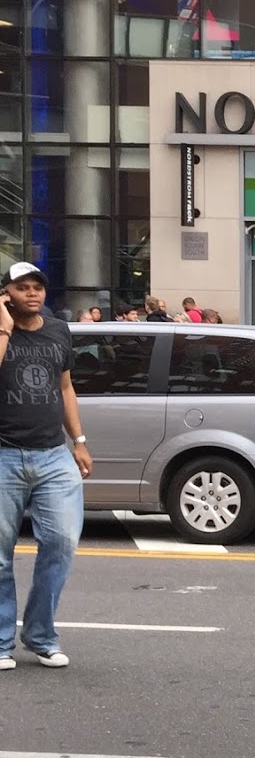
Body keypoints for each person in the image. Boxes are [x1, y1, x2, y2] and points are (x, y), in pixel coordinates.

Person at [0, 261, 92, 671]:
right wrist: (4, 326)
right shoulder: (2, 331)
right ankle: (1, 642)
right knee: (0, 557)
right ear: (6, 294)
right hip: (3, 454)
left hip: (54, 455)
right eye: (22, 287)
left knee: (61, 544)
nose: (32, 293)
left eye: (37, 286)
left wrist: (80, 441)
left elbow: (66, 387)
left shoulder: (58, 330)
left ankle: (40, 635)